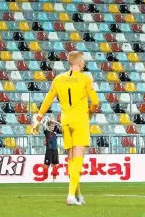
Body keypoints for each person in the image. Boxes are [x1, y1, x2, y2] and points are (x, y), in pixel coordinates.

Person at [31, 51, 99, 205]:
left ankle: (78, 195)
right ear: (81, 63)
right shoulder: (85, 79)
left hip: (65, 121)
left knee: (71, 160)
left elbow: (48, 99)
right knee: (78, 160)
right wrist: (89, 113)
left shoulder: (58, 79)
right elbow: (95, 102)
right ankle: (70, 196)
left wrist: (38, 118)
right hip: (80, 120)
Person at [41, 116, 62, 182]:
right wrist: (45, 121)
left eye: (53, 126)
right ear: (49, 126)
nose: (53, 127)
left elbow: (61, 127)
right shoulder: (46, 132)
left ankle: (54, 178)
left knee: (55, 164)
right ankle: (45, 178)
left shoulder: (55, 131)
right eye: (52, 126)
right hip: (49, 149)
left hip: (55, 149)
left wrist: (55, 122)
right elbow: (44, 126)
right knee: (46, 164)